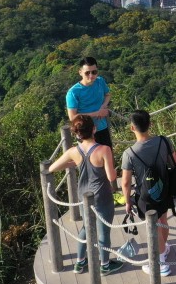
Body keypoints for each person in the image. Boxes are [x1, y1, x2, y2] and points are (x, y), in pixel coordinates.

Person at [49, 115, 123, 275]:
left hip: (83, 195)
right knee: (103, 231)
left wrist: (74, 163)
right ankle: (104, 265)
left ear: (77, 133)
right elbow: (111, 177)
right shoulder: (104, 149)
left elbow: (52, 168)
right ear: (94, 129)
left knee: (85, 227)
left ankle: (80, 262)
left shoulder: (73, 151)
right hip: (102, 196)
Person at [121, 109, 176, 276]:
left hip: (145, 196)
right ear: (150, 124)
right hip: (164, 187)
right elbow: (175, 162)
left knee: (153, 228)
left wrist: (127, 201)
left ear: (132, 128)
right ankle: (163, 249)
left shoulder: (129, 154)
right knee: (162, 219)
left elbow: (125, 182)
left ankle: (160, 263)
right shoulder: (163, 141)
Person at [66, 57, 113, 148]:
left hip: (102, 127)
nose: (91, 76)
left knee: (108, 156)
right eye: (87, 73)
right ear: (80, 72)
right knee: (91, 161)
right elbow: (73, 117)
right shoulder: (73, 92)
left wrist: (103, 106)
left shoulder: (100, 81)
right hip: (85, 132)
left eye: (94, 72)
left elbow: (107, 95)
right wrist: (97, 113)